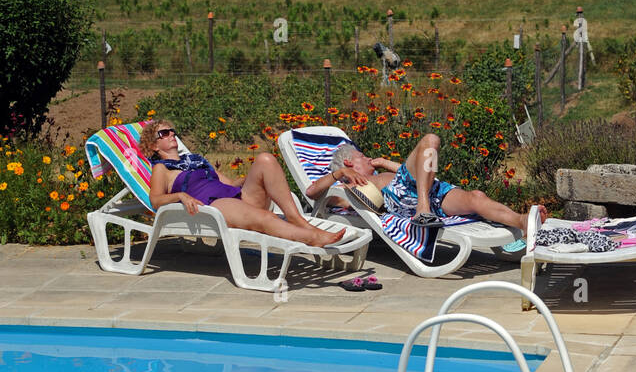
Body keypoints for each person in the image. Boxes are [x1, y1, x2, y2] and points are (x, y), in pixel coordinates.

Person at [141, 120, 346, 249]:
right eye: (164, 133)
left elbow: (229, 183)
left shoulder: (195, 160)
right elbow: (155, 200)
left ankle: (296, 218)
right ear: (153, 145)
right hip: (212, 206)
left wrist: (256, 177)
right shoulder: (162, 169)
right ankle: (311, 237)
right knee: (266, 216)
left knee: (265, 159)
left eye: (172, 131)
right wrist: (180, 196)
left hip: (233, 197)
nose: (171, 134)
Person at [308, 131, 544, 242]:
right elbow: (312, 193)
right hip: (412, 201)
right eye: (362, 156)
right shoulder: (345, 183)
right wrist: (339, 173)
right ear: (350, 161)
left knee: (476, 196)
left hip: (430, 192)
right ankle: (424, 208)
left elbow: (422, 171)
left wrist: (384, 163)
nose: (368, 157)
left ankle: (521, 221)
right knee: (430, 140)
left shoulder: (383, 173)